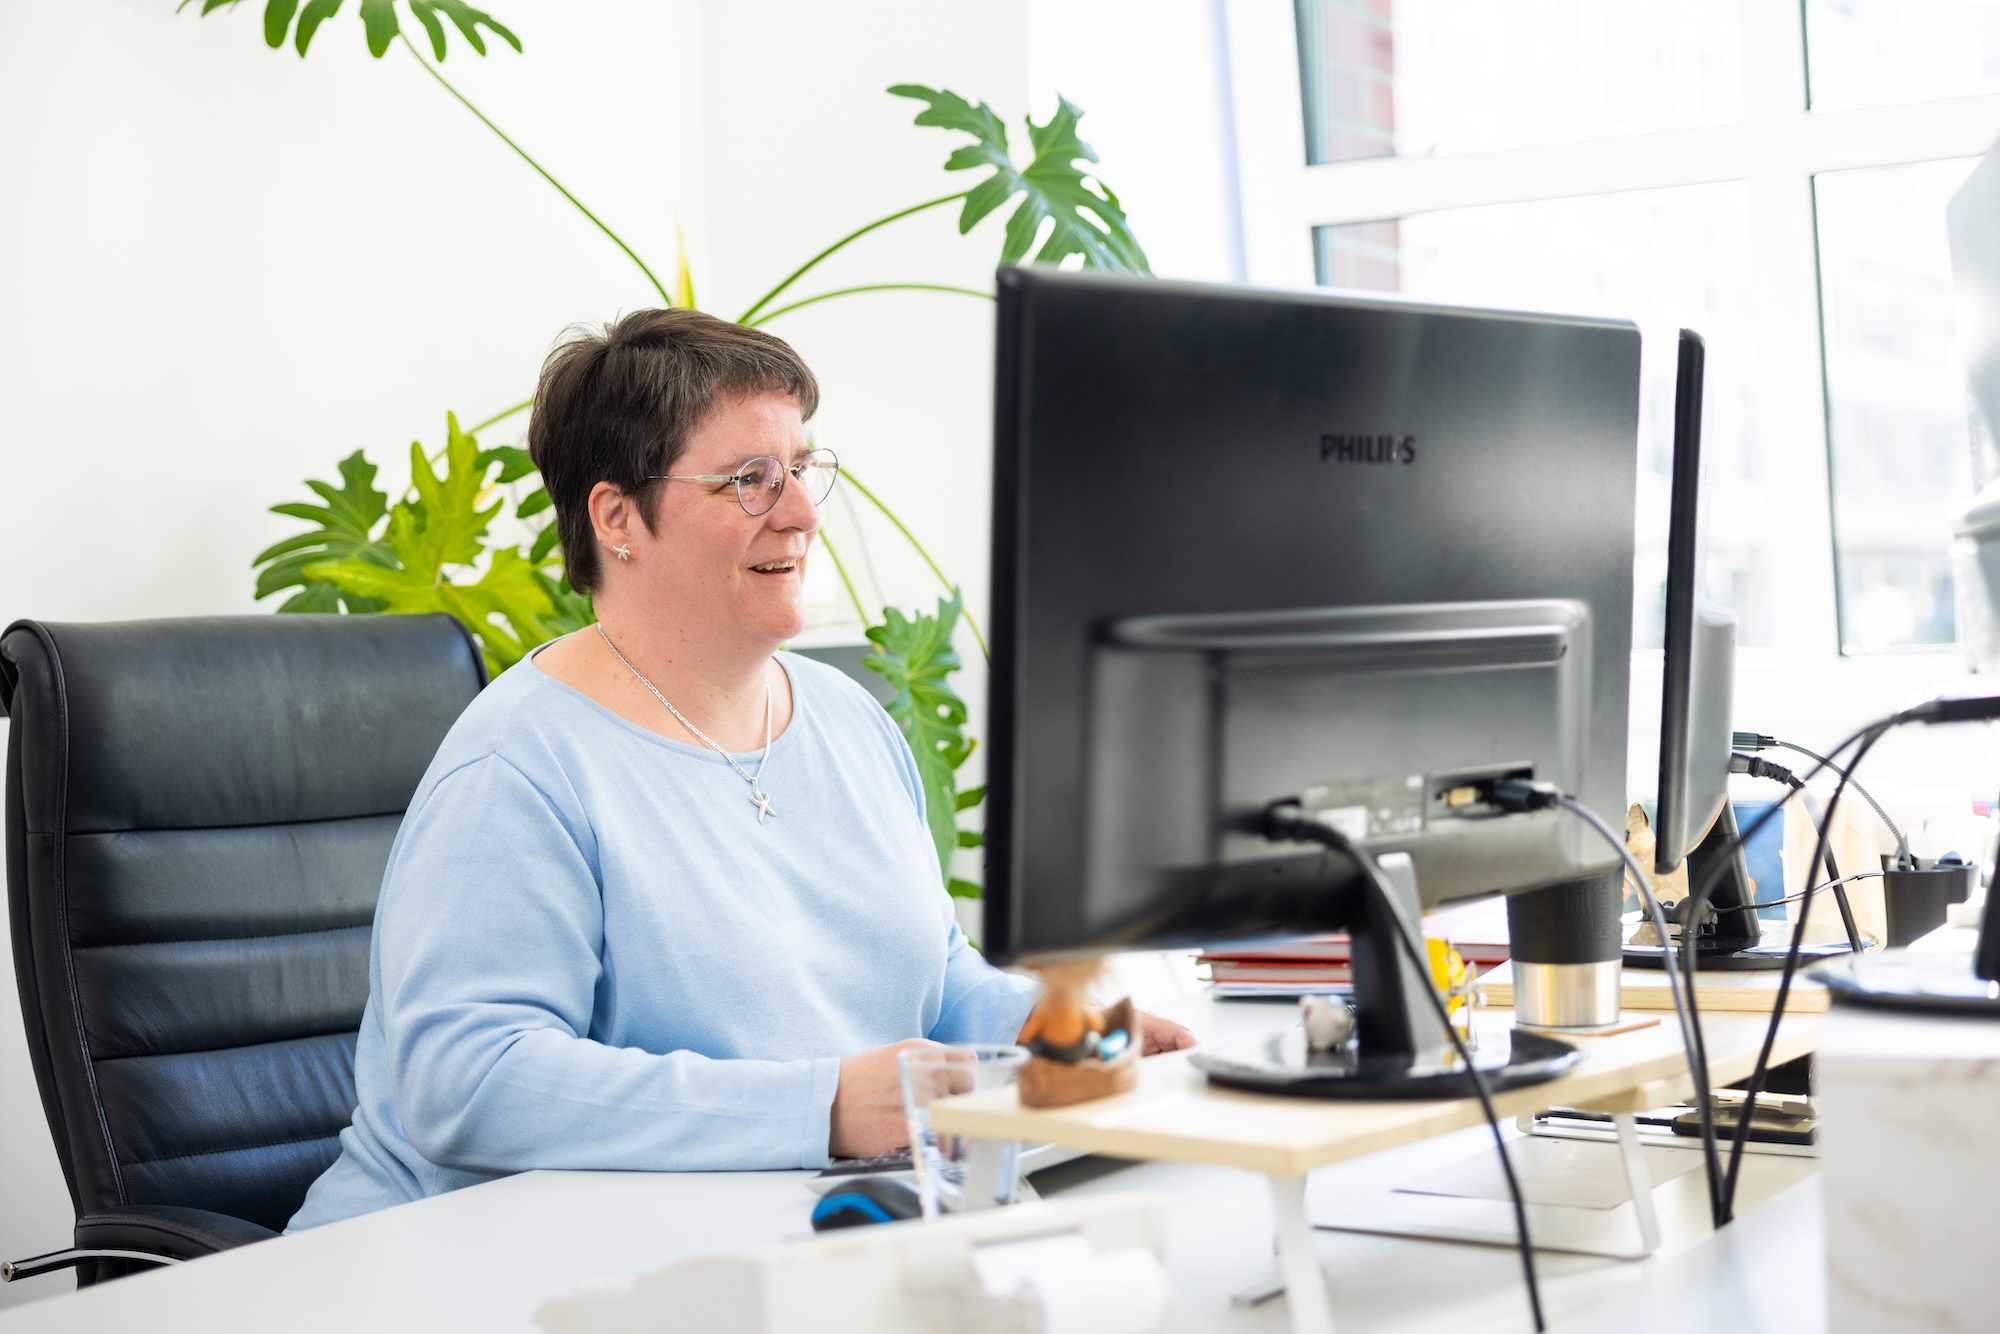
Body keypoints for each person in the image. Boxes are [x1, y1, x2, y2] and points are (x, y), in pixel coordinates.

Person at [289, 309, 1193, 1230]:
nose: (801, 512)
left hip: (785, 1226)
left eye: (801, 469)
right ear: (616, 518)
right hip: (459, 1261)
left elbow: (931, 974)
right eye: (750, 480)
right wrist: (821, 1108)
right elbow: (471, 1082)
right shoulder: (518, 766)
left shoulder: (850, 720)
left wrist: (1047, 1029)